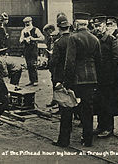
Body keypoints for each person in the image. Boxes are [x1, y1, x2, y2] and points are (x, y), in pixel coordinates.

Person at [64, 12, 101, 147]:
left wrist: (67, 83)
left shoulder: (73, 38)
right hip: (92, 78)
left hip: (77, 79)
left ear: (76, 24)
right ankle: (88, 138)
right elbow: (99, 61)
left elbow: (70, 62)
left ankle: (66, 139)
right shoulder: (95, 39)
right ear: (87, 24)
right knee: (88, 109)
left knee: (74, 106)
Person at [92, 14, 118, 138]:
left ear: (105, 26)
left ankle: (109, 128)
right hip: (98, 77)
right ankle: (100, 126)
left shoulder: (111, 39)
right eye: (95, 26)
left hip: (110, 78)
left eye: (100, 26)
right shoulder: (94, 38)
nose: (98, 28)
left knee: (108, 103)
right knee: (99, 102)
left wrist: (109, 65)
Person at [49, 15, 72, 147]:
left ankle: (63, 140)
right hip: (75, 77)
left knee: (65, 108)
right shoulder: (75, 39)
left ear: (59, 27)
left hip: (61, 78)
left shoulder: (58, 42)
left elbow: (54, 62)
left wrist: (50, 61)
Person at [19, 16, 44, 86]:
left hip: (33, 49)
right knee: (28, 64)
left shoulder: (35, 29)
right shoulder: (23, 31)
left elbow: (42, 38)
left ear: (31, 22)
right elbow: (20, 40)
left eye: (28, 22)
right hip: (27, 49)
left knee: (33, 64)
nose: (27, 24)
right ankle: (31, 80)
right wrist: (23, 40)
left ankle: (35, 80)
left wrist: (33, 39)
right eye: (25, 22)